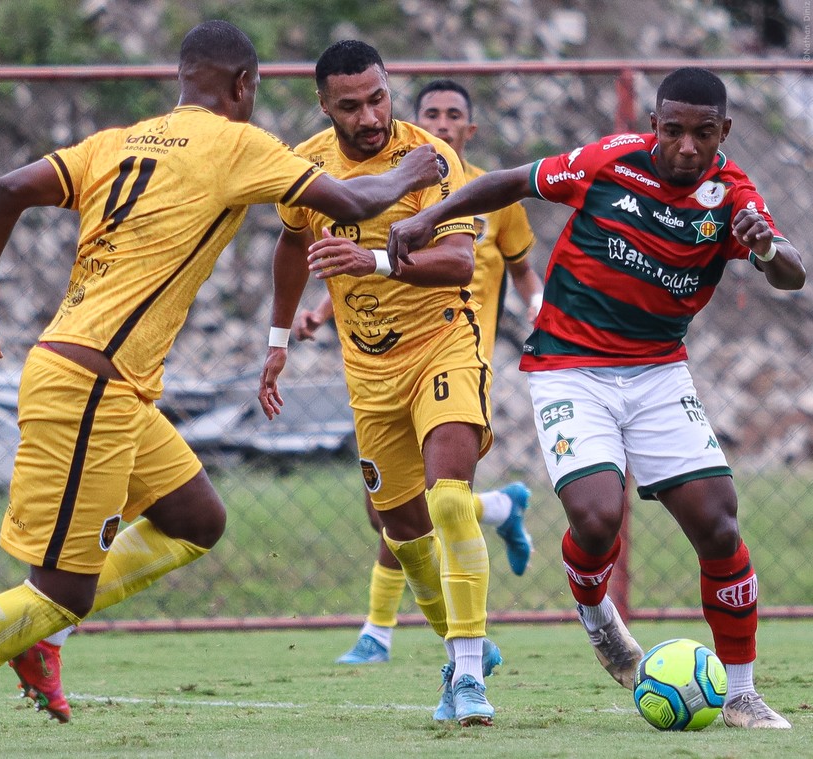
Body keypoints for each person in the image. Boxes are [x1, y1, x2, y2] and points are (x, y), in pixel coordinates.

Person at [0, 21, 446, 754]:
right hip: (87, 385)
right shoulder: (238, 143)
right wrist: (418, 172)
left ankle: (45, 635)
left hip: (108, 383)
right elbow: (359, 203)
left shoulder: (116, 141)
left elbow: (5, 190)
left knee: (197, 519)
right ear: (244, 88)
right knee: (57, 586)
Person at [388, 66, 804, 729]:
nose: (687, 147)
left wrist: (764, 247)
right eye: (673, 131)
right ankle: (595, 611)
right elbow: (508, 182)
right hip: (569, 367)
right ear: (654, 127)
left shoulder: (733, 198)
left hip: (658, 372)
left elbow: (791, 273)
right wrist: (432, 216)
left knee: (719, 521)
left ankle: (743, 693)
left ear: (723, 132)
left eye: (703, 134)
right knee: (595, 515)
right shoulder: (608, 163)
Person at [258, 41, 499, 727]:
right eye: (350, 105)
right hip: (368, 370)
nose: (369, 115)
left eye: (378, 97)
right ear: (323, 106)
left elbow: (456, 261)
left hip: (443, 344)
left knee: (450, 500)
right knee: (401, 527)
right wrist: (277, 344)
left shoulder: (430, 156)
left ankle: (473, 675)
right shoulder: (304, 164)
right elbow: (287, 244)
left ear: (390, 87)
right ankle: (460, 649)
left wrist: (368, 258)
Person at [292, 79, 545, 666]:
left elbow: (519, 271)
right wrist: (315, 315)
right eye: (433, 112)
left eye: (454, 114)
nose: (443, 123)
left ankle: (404, 642)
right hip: (378, 358)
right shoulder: (374, 173)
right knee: (392, 514)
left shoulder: (490, 195)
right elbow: (355, 260)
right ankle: (502, 511)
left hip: (454, 346)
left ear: (468, 129)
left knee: (446, 500)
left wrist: (540, 316)